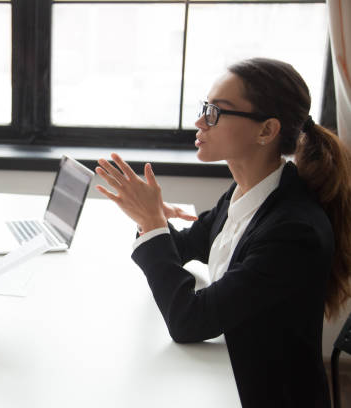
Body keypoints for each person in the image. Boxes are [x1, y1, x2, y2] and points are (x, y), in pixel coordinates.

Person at [96, 58, 351, 407]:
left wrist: (154, 223)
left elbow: (189, 321)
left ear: (266, 131)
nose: (200, 121)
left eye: (216, 112)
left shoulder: (294, 231)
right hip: (228, 370)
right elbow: (184, 246)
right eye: (205, 108)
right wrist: (148, 217)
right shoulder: (245, 191)